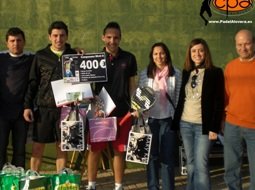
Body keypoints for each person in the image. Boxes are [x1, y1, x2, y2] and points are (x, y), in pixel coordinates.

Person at [86, 21, 137, 190]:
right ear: (103, 38)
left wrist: (135, 106)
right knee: (95, 150)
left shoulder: (129, 58)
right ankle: (91, 185)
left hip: (122, 111)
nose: (112, 41)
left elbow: (132, 85)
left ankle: (118, 186)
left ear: (120, 38)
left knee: (119, 151)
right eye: (109, 37)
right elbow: (85, 84)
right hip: (100, 110)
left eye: (116, 37)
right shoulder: (94, 59)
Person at [23, 21, 77, 172]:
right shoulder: (40, 56)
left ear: (67, 36)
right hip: (44, 109)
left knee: (62, 147)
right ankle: (34, 178)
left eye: (61, 36)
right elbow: (33, 83)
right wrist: (27, 106)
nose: (58, 39)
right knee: (38, 147)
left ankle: (61, 182)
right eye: (55, 36)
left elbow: (81, 80)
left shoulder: (73, 55)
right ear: (49, 37)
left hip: (66, 110)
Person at [174, 38, 225, 190]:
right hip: (185, 124)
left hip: (204, 126)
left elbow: (218, 101)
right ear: (189, 54)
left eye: (200, 50)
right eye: (194, 51)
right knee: (190, 163)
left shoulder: (215, 72)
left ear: (206, 53)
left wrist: (214, 128)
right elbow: (182, 99)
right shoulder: (186, 72)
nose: (197, 54)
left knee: (201, 163)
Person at [138, 42, 182, 190]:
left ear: (167, 54)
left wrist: (176, 119)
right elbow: (140, 96)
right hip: (150, 120)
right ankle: (153, 187)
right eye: (155, 54)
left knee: (168, 157)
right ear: (152, 56)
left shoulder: (176, 73)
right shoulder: (145, 74)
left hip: (168, 120)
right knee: (152, 157)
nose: (159, 56)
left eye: (162, 53)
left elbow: (177, 98)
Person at [224, 29, 255, 190]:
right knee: (231, 169)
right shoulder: (230, 67)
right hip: (232, 126)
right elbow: (226, 96)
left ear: (254, 44)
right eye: (239, 44)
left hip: (254, 127)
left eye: (247, 44)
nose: (243, 48)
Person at [0, 27, 34, 169]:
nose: (16, 44)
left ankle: (18, 180)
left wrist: (73, 49)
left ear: (24, 42)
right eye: (12, 41)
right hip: (1, 113)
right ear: (6, 43)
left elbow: (50, 54)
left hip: (22, 113)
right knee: (0, 149)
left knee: (19, 150)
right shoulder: (0, 58)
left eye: (19, 40)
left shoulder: (32, 58)